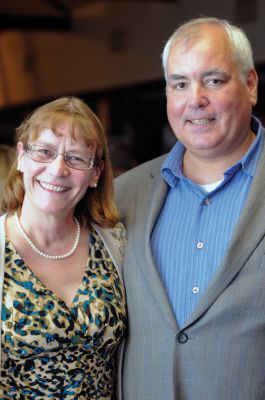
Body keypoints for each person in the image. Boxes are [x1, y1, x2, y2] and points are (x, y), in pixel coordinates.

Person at [115, 17, 265, 400]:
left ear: (250, 85)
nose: (195, 99)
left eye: (213, 80)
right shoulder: (123, 194)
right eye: (179, 83)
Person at [0, 96, 127, 399]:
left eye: (76, 158)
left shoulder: (115, 242)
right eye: (44, 152)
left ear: (96, 174)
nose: (58, 170)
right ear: (21, 157)